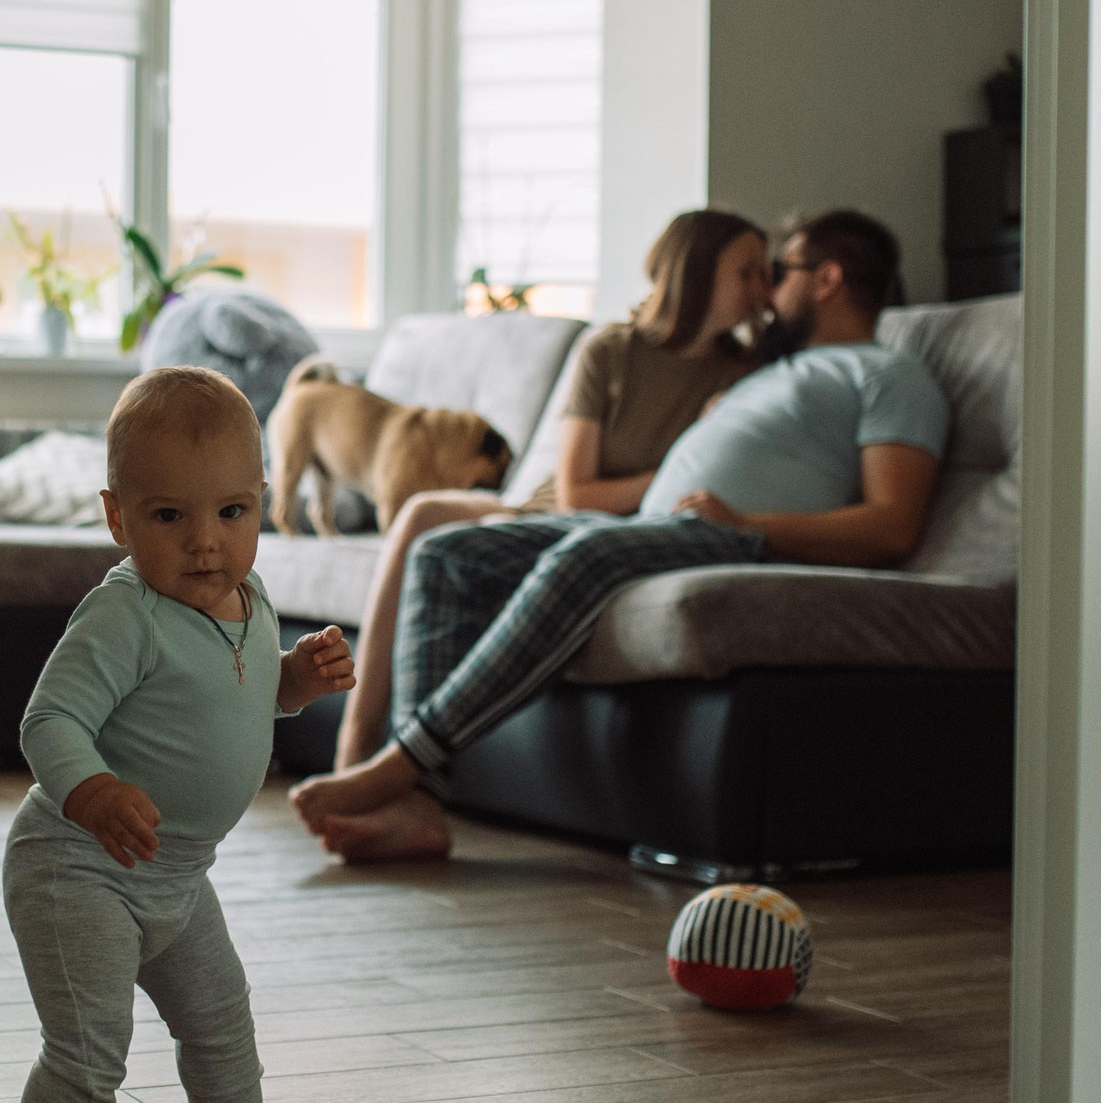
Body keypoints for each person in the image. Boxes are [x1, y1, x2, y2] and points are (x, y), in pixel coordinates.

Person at [291, 208, 947, 861]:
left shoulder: (888, 376)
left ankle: (398, 764)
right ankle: (420, 806)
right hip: (650, 525)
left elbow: (893, 526)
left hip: (721, 535)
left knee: (585, 553)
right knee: (447, 553)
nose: (769, 289)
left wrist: (747, 524)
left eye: (783, 270)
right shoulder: (765, 372)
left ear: (828, 279)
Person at [1, 367, 359, 1103]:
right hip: (77, 864)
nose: (206, 543)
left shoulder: (250, 596)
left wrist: (297, 680)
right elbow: (49, 720)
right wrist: (93, 791)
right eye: (169, 518)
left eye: (231, 513)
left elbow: (236, 694)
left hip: (177, 871)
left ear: (262, 503)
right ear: (118, 517)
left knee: (220, 1009)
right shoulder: (125, 615)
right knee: (91, 1040)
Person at [331, 210, 772, 769]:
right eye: (748, 273)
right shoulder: (610, 352)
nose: (764, 289)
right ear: (698, 273)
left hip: (615, 533)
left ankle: (396, 764)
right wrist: (675, 458)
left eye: (767, 273)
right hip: (539, 508)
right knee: (423, 514)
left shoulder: (745, 377)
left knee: (451, 536)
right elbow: (574, 494)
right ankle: (356, 744)